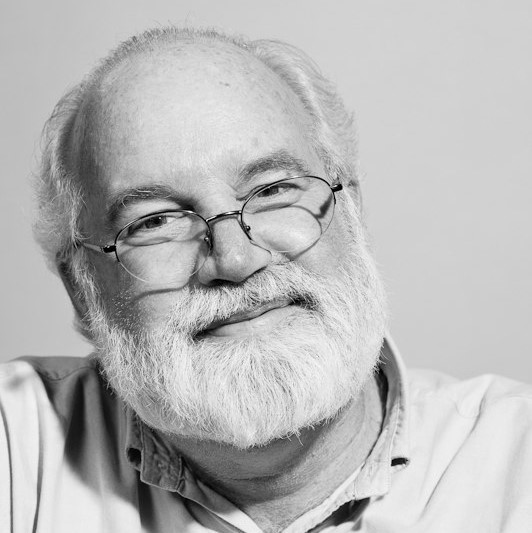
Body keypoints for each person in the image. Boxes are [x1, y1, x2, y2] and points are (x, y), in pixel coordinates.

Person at [1, 26, 531, 533]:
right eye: (155, 221)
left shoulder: (517, 465)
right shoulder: (17, 452)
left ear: (351, 212)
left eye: (274, 189)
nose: (235, 259)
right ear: (82, 290)